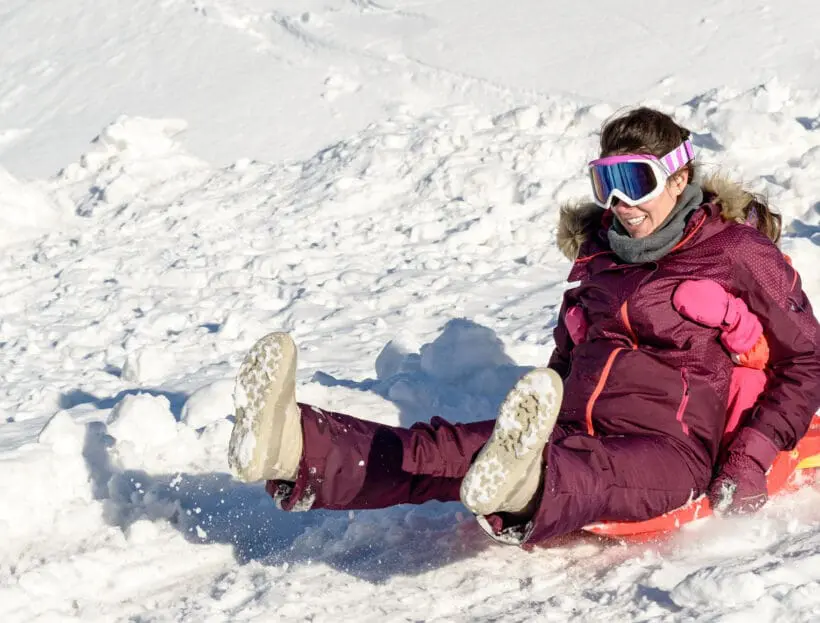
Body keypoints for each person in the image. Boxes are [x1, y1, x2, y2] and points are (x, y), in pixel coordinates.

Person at [227, 107, 820, 546]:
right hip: (569, 425)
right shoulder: (600, 255)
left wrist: (752, 454)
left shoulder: (735, 252)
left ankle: (521, 488)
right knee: (442, 448)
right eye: (604, 183)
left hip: (669, 448)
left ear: (678, 177)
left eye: (634, 182)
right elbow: (568, 355)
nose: (619, 202)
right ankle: (294, 446)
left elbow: (806, 363)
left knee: (585, 474)